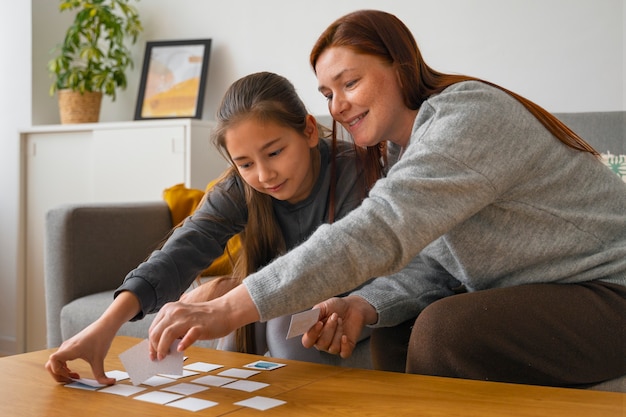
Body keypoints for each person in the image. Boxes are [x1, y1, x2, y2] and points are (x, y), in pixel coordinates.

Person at [142, 9, 626, 388]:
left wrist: (228, 307)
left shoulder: (469, 117)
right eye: (328, 92)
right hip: (548, 292)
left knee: (443, 331)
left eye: (350, 82)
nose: (338, 105)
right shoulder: (399, 152)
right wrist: (364, 305)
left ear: (401, 67)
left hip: (609, 290)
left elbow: (380, 229)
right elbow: (438, 267)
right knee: (401, 327)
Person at [45, 71, 378, 384]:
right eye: (245, 163)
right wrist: (105, 325)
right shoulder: (242, 188)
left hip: (353, 303)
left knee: (275, 318)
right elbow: (181, 251)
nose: (264, 175)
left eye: (274, 152)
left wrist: (226, 295)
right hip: (277, 304)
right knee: (227, 310)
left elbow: (338, 265)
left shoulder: (355, 171)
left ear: (308, 130)